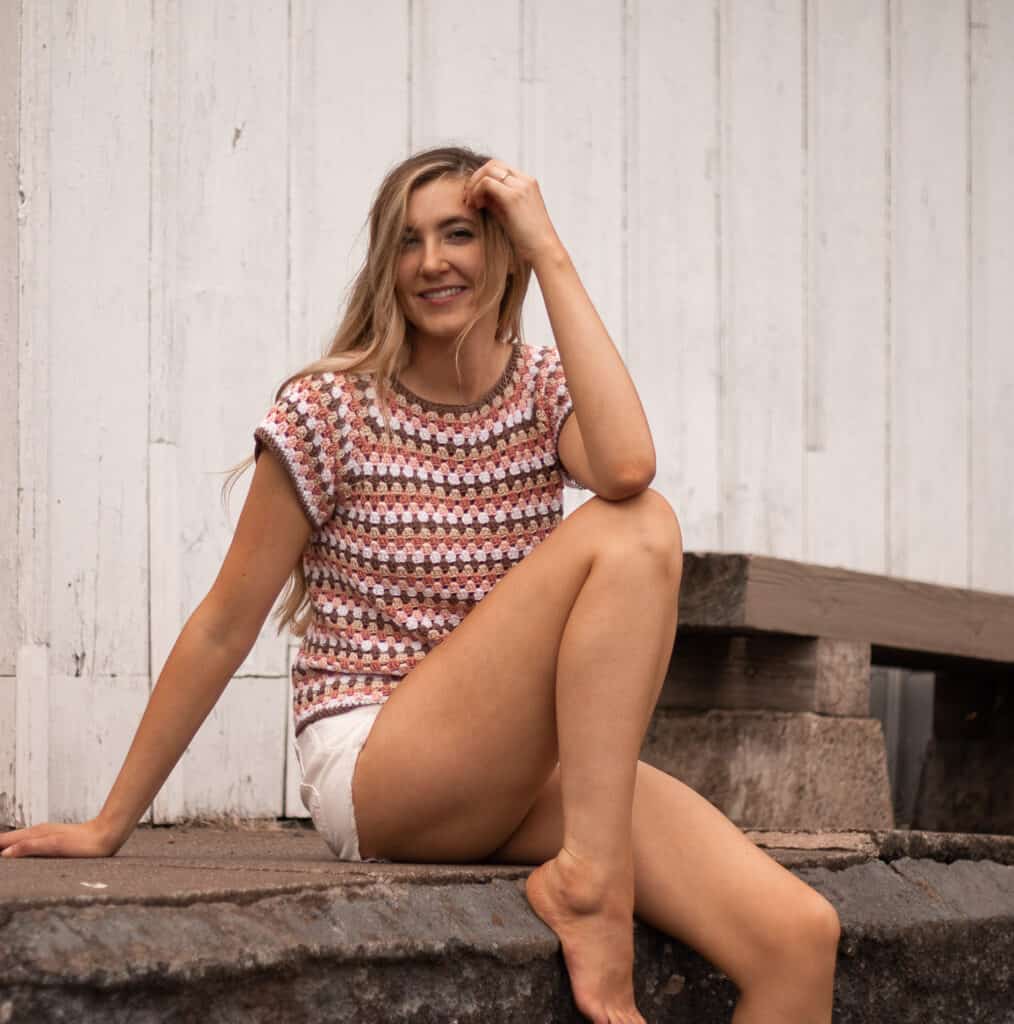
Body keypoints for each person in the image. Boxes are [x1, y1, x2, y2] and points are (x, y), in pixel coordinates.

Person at [0, 145, 840, 1023]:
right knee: (635, 530)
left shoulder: (540, 391)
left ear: (503, 251)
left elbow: (628, 461)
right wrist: (109, 824)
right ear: (383, 266)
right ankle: (592, 884)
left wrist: (551, 248)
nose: (434, 261)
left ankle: (593, 870)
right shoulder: (329, 411)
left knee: (799, 937)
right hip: (377, 766)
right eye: (408, 242)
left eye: (461, 234)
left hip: (516, 770)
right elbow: (224, 623)